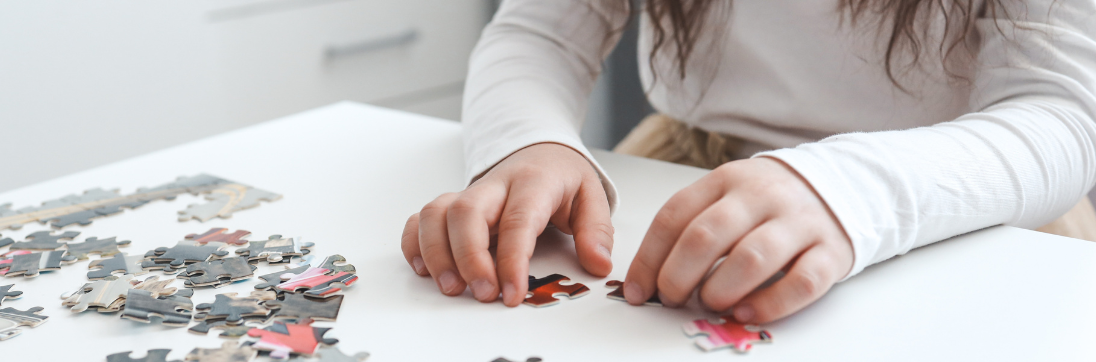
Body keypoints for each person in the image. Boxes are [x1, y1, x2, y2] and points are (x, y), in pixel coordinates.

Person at [400, 0, 1096, 323]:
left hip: (965, 202)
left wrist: (845, 188)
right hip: (693, 162)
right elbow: (538, 32)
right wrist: (530, 141)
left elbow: (1061, 117)